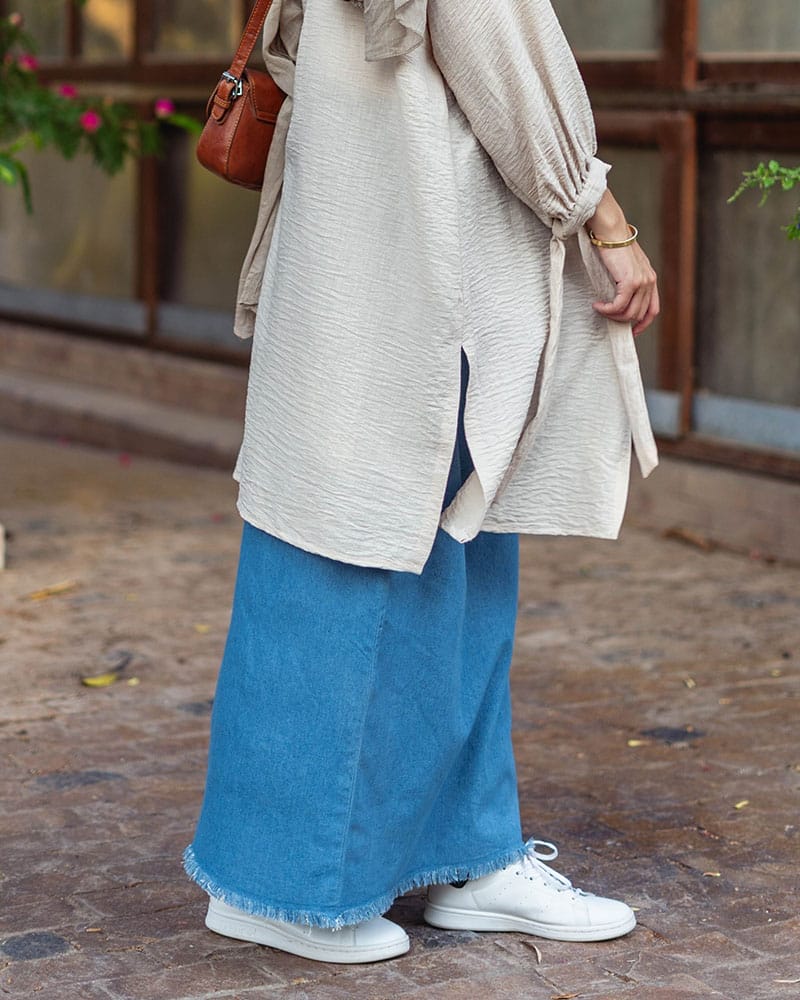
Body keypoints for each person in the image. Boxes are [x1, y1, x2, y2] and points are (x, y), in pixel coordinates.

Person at [183, 0, 660, 965]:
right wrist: (604, 219)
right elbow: (504, 52)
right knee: (348, 559)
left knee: (443, 553)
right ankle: (283, 887)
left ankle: (465, 854)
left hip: (379, 244)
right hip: (417, 256)